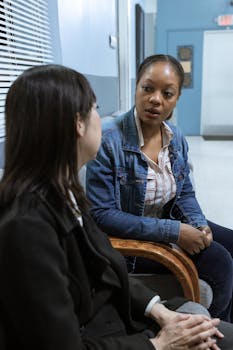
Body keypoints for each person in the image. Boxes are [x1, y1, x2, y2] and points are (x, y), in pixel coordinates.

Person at [1, 64, 232, 349]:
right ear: (78, 124)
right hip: (110, 334)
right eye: (95, 108)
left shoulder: (65, 193)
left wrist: (159, 310)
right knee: (219, 267)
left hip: (120, 315)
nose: (102, 119)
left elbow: (105, 263)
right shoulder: (26, 228)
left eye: (168, 93)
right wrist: (159, 345)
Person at [86, 54, 233, 323]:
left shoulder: (175, 137)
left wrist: (198, 224)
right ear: (136, 88)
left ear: (177, 99)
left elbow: (185, 192)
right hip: (130, 240)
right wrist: (175, 232)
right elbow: (102, 215)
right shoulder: (108, 140)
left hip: (167, 222)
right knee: (220, 262)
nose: (156, 99)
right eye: (147, 88)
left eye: (167, 93)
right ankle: (208, 331)